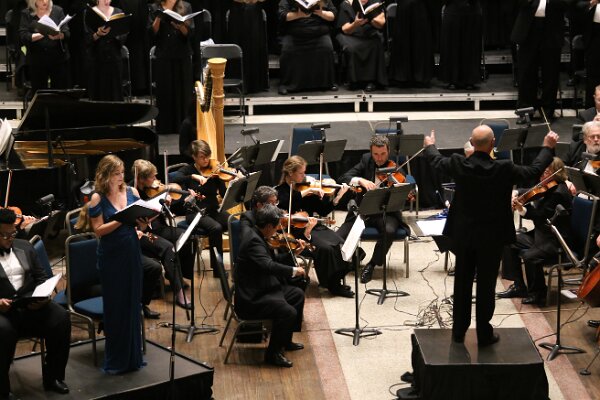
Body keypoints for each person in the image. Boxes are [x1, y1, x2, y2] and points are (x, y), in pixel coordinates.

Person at [423, 125, 558, 346]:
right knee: (486, 285)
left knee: (462, 283)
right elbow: (533, 171)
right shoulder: (504, 168)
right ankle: (484, 333)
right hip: (492, 237)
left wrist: (430, 146)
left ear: (471, 142)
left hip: (464, 236)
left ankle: (458, 332)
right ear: (493, 143)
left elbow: (436, 161)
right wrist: (547, 147)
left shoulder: (459, 163)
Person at [0, 208, 71, 398]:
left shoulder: (25, 246)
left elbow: (41, 278)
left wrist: (43, 298)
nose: (9, 238)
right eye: (4, 235)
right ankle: (3, 389)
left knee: (61, 318)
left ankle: (53, 377)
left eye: (12, 234)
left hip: (29, 306)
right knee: (3, 331)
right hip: (3, 312)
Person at [88, 155, 146, 373]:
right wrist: (121, 219)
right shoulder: (97, 198)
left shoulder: (133, 192)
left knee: (132, 304)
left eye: (122, 172)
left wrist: (143, 223)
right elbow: (98, 230)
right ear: (105, 175)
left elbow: (141, 226)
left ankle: (133, 358)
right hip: (111, 257)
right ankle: (117, 360)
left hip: (131, 251)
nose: (122, 177)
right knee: (116, 307)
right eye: (116, 173)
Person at [234, 204, 306, 368]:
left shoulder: (258, 235)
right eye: (276, 226)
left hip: (261, 286)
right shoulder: (253, 241)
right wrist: (294, 270)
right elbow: (269, 266)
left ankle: (285, 341)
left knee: (297, 294)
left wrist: (293, 254)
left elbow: (270, 261)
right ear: (268, 226)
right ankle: (272, 354)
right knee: (288, 312)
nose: (278, 230)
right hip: (252, 298)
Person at [275, 157, 354, 297]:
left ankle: (335, 281)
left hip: (313, 226)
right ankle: (332, 285)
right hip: (295, 231)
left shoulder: (306, 188)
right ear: (290, 173)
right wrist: (307, 192)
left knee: (340, 243)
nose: (304, 176)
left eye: (304, 172)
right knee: (325, 249)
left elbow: (323, 211)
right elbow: (285, 203)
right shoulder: (280, 191)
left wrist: (337, 197)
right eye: (301, 173)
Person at [498, 157, 572, 306]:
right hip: (541, 234)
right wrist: (516, 192)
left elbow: (541, 215)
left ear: (556, 173)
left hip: (555, 239)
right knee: (509, 241)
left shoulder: (558, 192)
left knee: (530, 256)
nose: (542, 175)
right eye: (542, 171)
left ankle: (538, 293)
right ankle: (519, 286)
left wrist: (522, 209)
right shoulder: (548, 186)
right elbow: (531, 191)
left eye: (546, 172)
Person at [337, 135, 411, 284]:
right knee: (338, 237)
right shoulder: (366, 160)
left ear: (388, 151)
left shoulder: (395, 168)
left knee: (389, 231)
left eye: (383, 154)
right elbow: (344, 177)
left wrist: (402, 191)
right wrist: (360, 180)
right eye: (376, 154)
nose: (379, 158)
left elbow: (404, 191)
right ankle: (357, 254)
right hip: (362, 211)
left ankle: (371, 265)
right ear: (371, 152)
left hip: (386, 213)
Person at [73, 203, 164, 319]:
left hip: (113, 264)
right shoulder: (79, 239)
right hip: (91, 283)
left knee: (153, 267)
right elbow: (93, 263)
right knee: (125, 281)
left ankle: (141, 305)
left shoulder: (106, 230)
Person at [132, 159, 194, 309]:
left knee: (187, 236)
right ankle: (178, 291)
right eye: (152, 177)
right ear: (141, 179)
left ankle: (177, 274)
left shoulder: (156, 189)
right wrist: (157, 208)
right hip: (145, 234)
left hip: (160, 229)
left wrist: (182, 200)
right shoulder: (132, 192)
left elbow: (174, 208)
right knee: (168, 248)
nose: (156, 180)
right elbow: (139, 221)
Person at [169, 140, 230, 273]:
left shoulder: (214, 170)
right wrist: (193, 176)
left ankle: (239, 264)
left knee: (236, 223)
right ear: (194, 157)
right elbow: (174, 179)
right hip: (195, 212)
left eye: (208, 156)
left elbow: (223, 193)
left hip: (213, 210)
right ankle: (218, 269)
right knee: (216, 228)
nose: (206, 160)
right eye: (202, 157)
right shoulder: (188, 170)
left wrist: (231, 182)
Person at [511, 0, 572, 123]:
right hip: (528, 28)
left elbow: (567, 3)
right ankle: (526, 111)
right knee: (526, 73)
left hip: (552, 29)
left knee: (550, 73)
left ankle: (548, 111)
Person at [149, 0, 194, 134]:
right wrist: (159, 17)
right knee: (165, 90)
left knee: (183, 92)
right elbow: (152, 32)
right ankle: (165, 126)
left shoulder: (185, 6)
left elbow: (189, 34)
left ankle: (183, 126)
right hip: (163, 54)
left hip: (182, 55)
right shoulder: (155, 7)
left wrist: (180, 26)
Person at [277, 0, 338, 95]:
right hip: (295, 34)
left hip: (319, 33)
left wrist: (321, 13)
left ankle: (328, 83)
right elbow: (283, 15)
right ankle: (286, 84)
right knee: (288, 51)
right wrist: (299, 15)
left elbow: (333, 15)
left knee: (327, 47)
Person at [18, 0, 71, 97]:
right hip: (37, 59)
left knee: (59, 93)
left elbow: (66, 33)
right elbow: (23, 35)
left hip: (57, 58)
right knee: (39, 93)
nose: (45, 1)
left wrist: (59, 35)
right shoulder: (27, 13)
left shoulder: (58, 11)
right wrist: (41, 34)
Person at [335, 0, 387, 91]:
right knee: (352, 48)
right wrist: (355, 24)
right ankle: (354, 81)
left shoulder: (375, 3)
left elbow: (381, 24)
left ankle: (372, 81)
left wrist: (371, 18)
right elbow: (345, 29)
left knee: (376, 44)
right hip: (350, 34)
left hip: (369, 33)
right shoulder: (346, 4)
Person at [84, 0, 127, 101]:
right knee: (98, 93)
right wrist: (97, 34)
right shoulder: (90, 13)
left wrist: (115, 33)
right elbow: (86, 38)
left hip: (114, 58)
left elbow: (124, 34)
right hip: (96, 59)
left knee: (115, 92)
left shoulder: (118, 12)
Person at [388, 0, 434, 87]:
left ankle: (417, 76)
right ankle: (403, 76)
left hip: (420, 7)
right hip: (406, 7)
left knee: (419, 41)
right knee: (404, 40)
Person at [438, 0, 482, 90]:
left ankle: (454, 80)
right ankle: (468, 80)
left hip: (462, 9)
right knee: (467, 45)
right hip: (465, 9)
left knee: (455, 45)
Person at [227, 0, 269, 93]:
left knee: (255, 46)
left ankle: (256, 84)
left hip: (255, 13)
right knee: (239, 45)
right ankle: (238, 84)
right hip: (237, 12)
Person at [577, 1, 600, 110]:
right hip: (594, 36)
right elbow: (577, 5)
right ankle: (591, 110)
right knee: (593, 76)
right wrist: (590, 3)